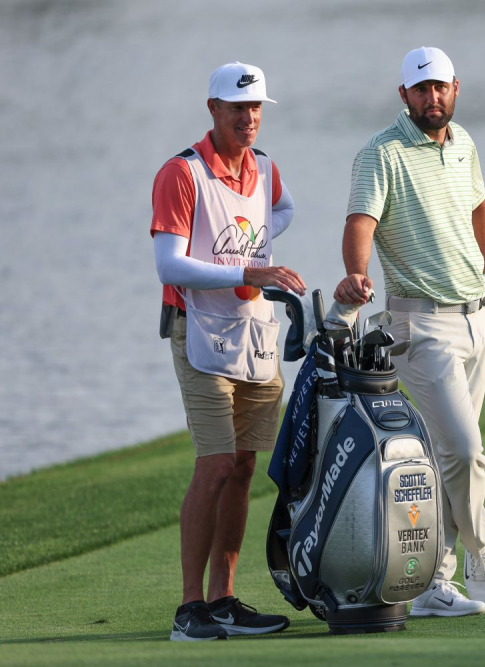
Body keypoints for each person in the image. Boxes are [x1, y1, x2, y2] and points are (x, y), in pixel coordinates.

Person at [335, 46, 485, 618]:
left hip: (476, 318)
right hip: (419, 324)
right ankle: (482, 549)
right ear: (403, 95)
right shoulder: (381, 154)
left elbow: (482, 207)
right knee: (463, 449)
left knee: (448, 455)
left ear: (456, 87)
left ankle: (435, 581)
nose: (432, 98)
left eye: (440, 88)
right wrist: (357, 278)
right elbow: (361, 222)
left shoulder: (465, 145)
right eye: (421, 90)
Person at [151, 61, 307, 641]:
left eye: (257, 108)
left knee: (244, 466)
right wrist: (250, 264)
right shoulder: (182, 173)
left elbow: (283, 211)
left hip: (252, 330)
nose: (249, 118)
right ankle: (189, 610)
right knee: (215, 464)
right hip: (195, 330)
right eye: (238, 108)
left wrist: (257, 243)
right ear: (213, 109)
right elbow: (168, 264)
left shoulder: (265, 168)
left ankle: (225, 599)